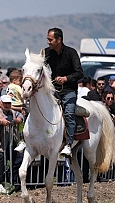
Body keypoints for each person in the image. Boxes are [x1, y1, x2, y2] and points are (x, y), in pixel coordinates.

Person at [45, 27, 83, 156]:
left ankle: (69, 144)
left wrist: (66, 78)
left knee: (69, 114)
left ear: (59, 39)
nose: (48, 42)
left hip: (69, 91)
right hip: (52, 90)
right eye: (48, 39)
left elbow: (79, 73)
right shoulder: (46, 53)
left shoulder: (71, 53)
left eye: (50, 40)